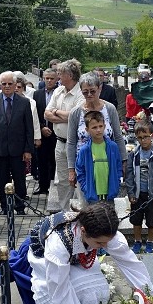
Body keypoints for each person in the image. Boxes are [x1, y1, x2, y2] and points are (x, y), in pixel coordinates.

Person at [3, 202, 153, 304]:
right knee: (83, 290)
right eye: (100, 243)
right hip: (44, 255)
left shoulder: (103, 232)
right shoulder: (58, 244)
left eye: (107, 241)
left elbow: (130, 263)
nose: (105, 246)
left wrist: (147, 296)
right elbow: (59, 289)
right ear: (83, 231)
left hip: (76, 255)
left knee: (100, 288)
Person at [66, 72, 126, 196]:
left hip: (107, 161)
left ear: (100, 88)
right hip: (84, 164)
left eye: (92, 91)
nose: (89, 95)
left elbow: (118, 137)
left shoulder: (109, 109)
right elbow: (71, 142)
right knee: (86, 204)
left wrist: (123, 162)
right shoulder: (76, 113)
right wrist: (71, 169)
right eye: (85, 92)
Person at [0, 71, 35, 215]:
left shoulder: (24, 102)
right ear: (0, 85)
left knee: (19, 180)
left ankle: (19, 206)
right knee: (2, 181)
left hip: (18, 149)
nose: (7, 86)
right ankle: (5, 207)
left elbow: (28, 128)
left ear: (15, 85)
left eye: (10, 84)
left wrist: (28, 150)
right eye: (4, 84)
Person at [44, 59, 84, 213]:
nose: (58, 75)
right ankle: (64, 212)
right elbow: (47, 114)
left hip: (76, 144)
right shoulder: (58, 91)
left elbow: (77, 116)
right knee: (61, 180)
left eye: (61, 73)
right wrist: (64, 115)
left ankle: (81, 211)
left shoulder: (81, 93)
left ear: (70, 75)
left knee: (79, 178)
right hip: (59, 143)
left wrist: (56, 112)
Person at [125, 121, 153, 254]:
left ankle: (150, 241)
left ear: (151, 136)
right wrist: (131, 193)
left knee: (151, 220)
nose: (143, 140)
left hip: (151, 193)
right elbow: (129, 174)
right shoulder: (134, 154)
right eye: (140, 138)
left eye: (146, 136)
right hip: (137, 193)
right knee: (136, 219)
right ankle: (137, 241)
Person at [75, 110, 122, 206]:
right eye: (94, 127)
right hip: (92, 195)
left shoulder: (113, 147)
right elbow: (80, 171)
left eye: (100, 126)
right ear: (87, 130)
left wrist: (116, 184)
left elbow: (118, 166)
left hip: (110, 193)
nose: (98, 130)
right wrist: (86, 188)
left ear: (105, 126)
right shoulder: (85, 150)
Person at [33, 67, 58, 195]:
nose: (49, 81)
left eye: (51, 79)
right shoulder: (37, 94)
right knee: (41, 160)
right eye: (46, 78)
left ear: (57, 79)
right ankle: (43, 186)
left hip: (56, 133)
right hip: (42, 132)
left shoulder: (59, 93)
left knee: (54, 161)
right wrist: (42, 127)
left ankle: (54, 187)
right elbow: (35, 113)